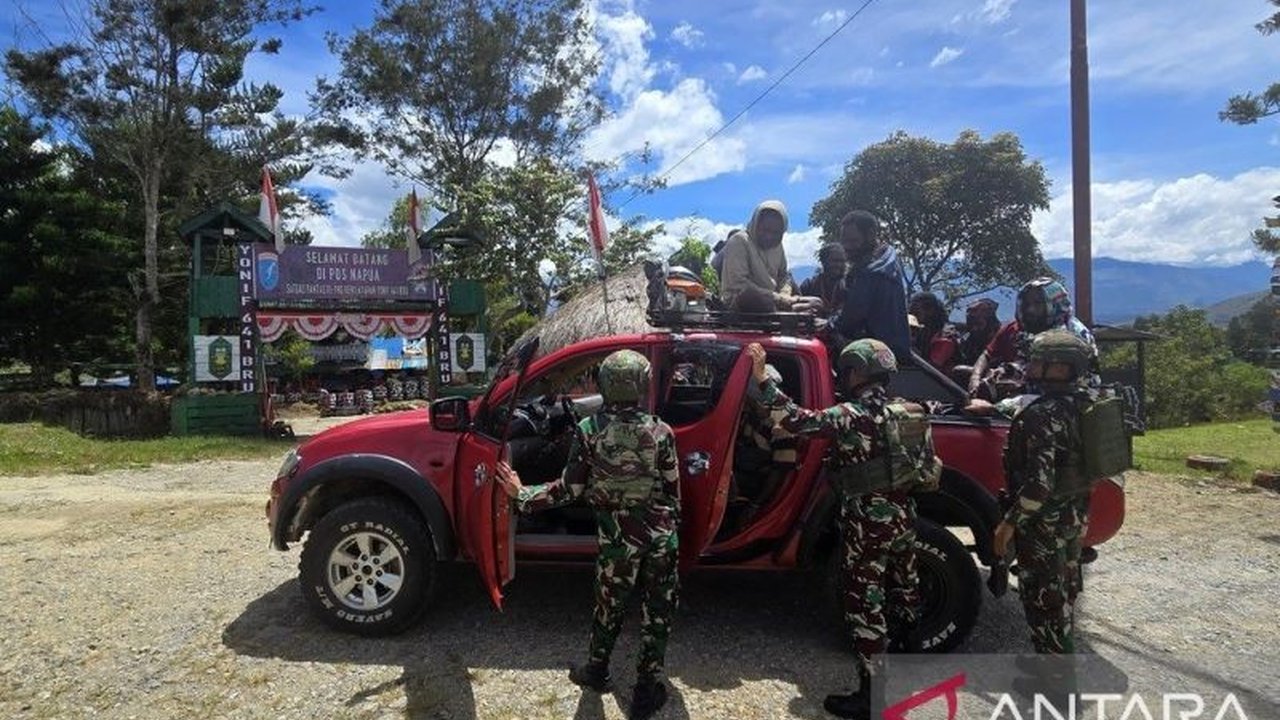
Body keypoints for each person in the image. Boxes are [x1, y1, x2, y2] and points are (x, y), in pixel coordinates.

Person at [746, 339, 940, 720]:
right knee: (905, 590)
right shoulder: (912, 413)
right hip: (904, 515)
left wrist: (762, 379)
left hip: (868, 521)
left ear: (855, 373)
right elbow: (926, 466)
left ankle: (871, 697)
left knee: (865, 605)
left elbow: (797, 421)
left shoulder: (851, 414)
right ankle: (910, 664)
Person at [494, 349, 679, 720]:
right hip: (661, 537)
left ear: (606, 385)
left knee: (608, 608)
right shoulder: (662, 430)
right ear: (641, 385)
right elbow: (673, 492)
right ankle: (645, 692)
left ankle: (596, 671)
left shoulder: (589, 430)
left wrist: (521, 494)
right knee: (657, 613)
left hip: (618, 540)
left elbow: (569, 490)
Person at [966, 330, 1097, 696]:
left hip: (1044, 524)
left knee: (1044, 598)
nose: (1032, 366)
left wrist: (1008, 525)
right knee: (1064, 590)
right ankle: (1053, 662)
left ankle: (1058, 689)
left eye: (1039, 360)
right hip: (1072, 515)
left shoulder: (1042, 416)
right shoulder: (1084, 404)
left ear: (1061, 367)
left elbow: (1038, 486)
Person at [967, 278, 1097, 398]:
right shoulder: (1023, 329)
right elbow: (988, 354)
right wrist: (977, 378)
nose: (1030, 309)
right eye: (1027, 303)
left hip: (1065, 402)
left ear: (1055, 303)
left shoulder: (1070, 335)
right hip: (1028, 399)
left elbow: (1060, 382)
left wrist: (1017, 385)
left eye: (1038, 303)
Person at [833, 211, 911, 362]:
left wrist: (828, 324)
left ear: (871, 234)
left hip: (877, 357)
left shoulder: (872, 272)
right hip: (893, 350)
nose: (846, 247)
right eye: (844, 241)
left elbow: (849, 321)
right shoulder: (887, 257)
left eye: (853, 241)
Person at [908, 291, 959, 371]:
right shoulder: (923, 332)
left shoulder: (945, 336)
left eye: (916, 312)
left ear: (930, 311)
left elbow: (932, 368)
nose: (913, 316)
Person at [800, 243, 848, 316]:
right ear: (823, 262)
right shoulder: (809, 286)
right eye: (834, 261)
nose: (839, 264)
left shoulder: (849, 286)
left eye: (842, 261)